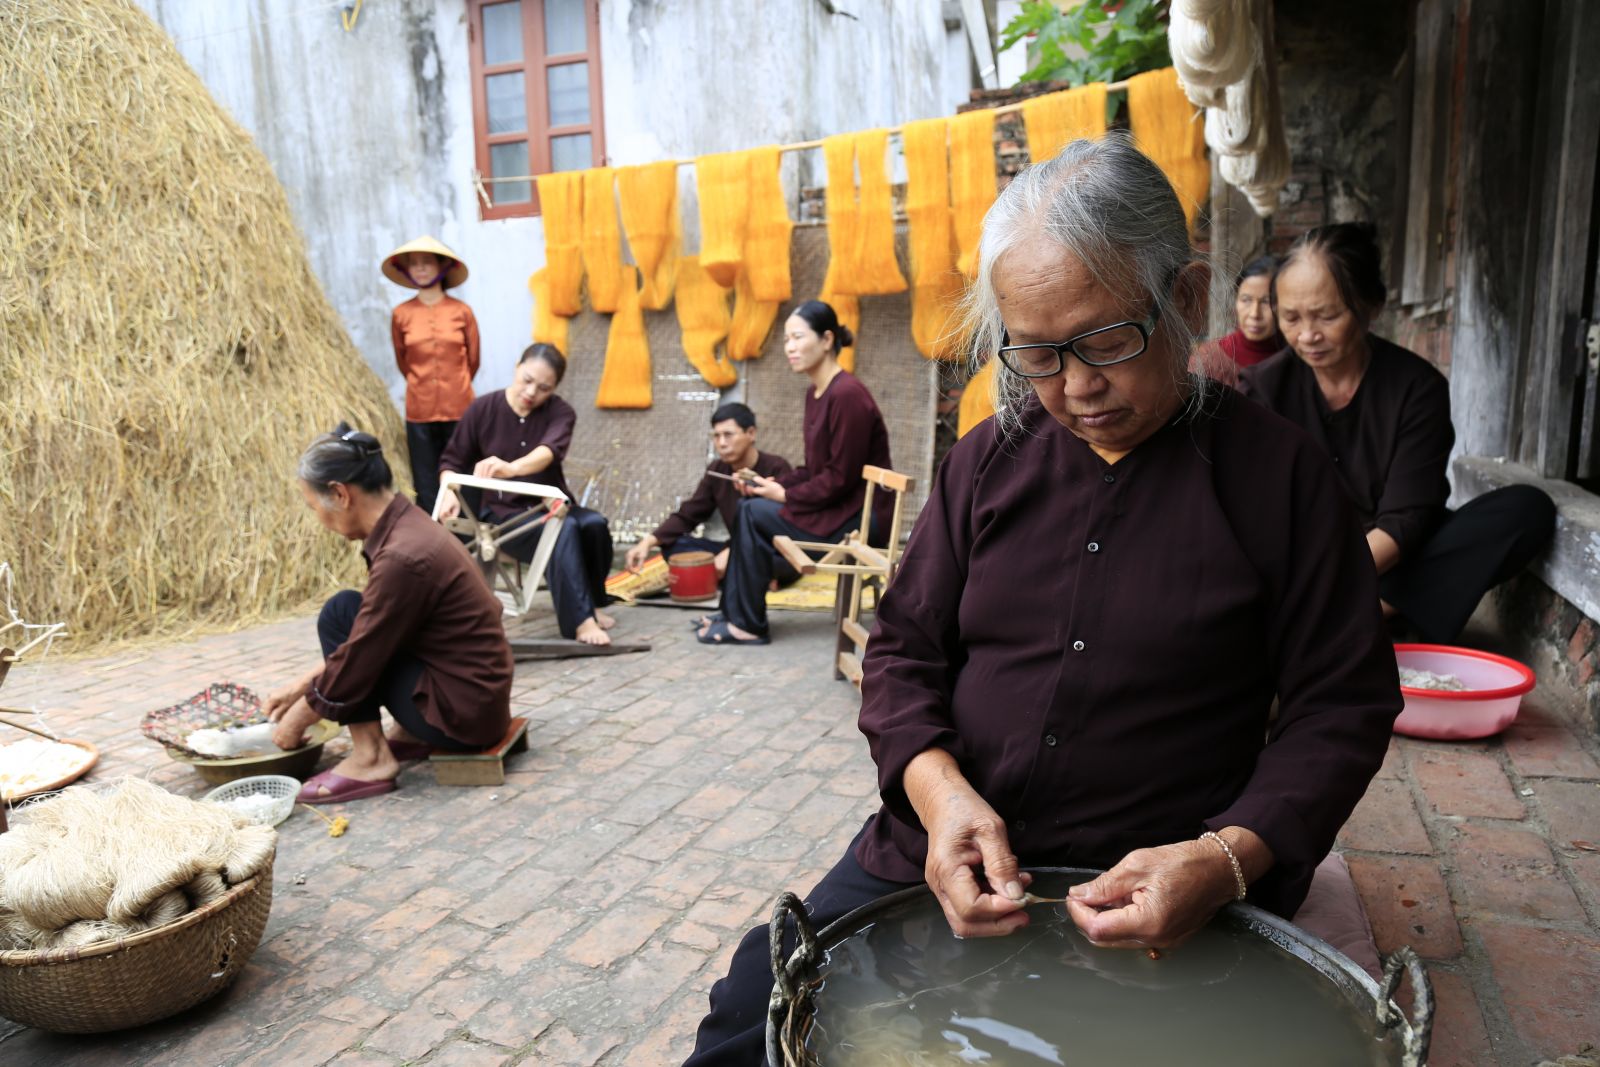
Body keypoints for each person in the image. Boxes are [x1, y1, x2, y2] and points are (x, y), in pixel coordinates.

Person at [684, 135, 1402, 1065]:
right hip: (937, 852)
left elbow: (1341, 705)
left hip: (1151, 888)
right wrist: (940, 801)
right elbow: (902, 650)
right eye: (1035, 353)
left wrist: (1226, 859)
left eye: (1105, 341)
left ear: (1184, 300)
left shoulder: (1283, 478)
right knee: (754, 1009)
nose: (1075, 385)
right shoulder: (989, 458)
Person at [1239, 223, 1556, 643]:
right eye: (1291, 318)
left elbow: (1407, 517)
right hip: (1300, 565)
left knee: (1522, 509)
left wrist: (1329, 590)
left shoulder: (1417, 388)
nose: (1307, 335)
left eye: (1328, 315)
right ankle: (1375, 618)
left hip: (1387, 558)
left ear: (1372, 306)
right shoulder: (1261, 389)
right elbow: (1257, 513)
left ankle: (1346, 620)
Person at [266, 425, 512, 804]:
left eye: (315, 507)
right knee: (351, 610)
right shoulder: (408, 525)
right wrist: (300, 687)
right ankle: (409, 734)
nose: (319, 519)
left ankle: (371, 758)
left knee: (339, 614)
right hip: (475, 702)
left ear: (339, 494)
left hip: (462, 717)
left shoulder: (402, 555)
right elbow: (378, 626)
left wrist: (298, 718)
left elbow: (363, 653)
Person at [695, 300, 893, 646]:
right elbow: (814, 469)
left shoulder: (847, 396)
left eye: (797, 337)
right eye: (787, 340)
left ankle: (748, 624)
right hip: (838, 505)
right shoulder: (817, 393)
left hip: (860, 516)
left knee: (753, 511)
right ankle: (734, 613)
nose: (790, 347)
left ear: (827, 340)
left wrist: (783, 495)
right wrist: (773, 483)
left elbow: (840, 478)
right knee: (750, 505)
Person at [438, 343, 617, 646]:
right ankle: (580, 621)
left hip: (551, 504)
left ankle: (594, 602)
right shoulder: (482, 409)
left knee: (593, 524)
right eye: (527, 380)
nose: (532, 392)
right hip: (503, 513)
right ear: (517, 367)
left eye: (544, 388)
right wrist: (449, 492)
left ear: (555, 388)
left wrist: (511, 468)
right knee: (564, 528)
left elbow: (548, 452)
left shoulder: (561, 412)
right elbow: (452, 460)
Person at [623, 403, 795, 582]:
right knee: (674, 546)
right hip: (732, 548)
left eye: (728, 435)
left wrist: (733, 551)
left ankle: (726, 572)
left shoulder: (776, 467)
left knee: (786, 563)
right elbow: (688, 514)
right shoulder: (717, 469)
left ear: (751, 433)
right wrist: (647, 542)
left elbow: (780, 527)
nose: (721, 443)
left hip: (765, 547)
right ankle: (735, 573)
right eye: (716, 436)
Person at [385, 236, 480, 516]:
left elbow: (473, 360)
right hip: (420, 410)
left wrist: (456, 384)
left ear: (442, 266)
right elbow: (403, 361)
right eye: (413, 264)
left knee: (465, 477)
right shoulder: (401, 314)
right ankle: (431, 543)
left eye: (426, 262)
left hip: (460, 407)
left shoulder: (462, 312)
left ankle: (470, 544)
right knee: (425, 481)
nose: (420, 268)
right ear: (406, 270)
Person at [1190, 255, 1283, 387]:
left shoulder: (1301, 358)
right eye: (1246, 300)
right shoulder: (1207, 362)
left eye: (1266, 302)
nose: (1254, 314)